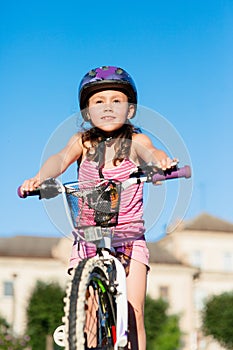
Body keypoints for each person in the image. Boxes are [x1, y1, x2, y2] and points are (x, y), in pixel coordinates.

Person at [20, 66, 177, 350]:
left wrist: (161, 164)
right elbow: (59, 159)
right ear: (86, 112)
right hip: (89, 238)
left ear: (129, 110)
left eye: (116, 101)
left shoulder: (135, 142)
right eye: (98, 102)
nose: (108, 108)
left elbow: (152, 152)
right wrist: (40, 179)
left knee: (134, 311)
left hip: (128, 240)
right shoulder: (82, 142)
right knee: (89, 313)